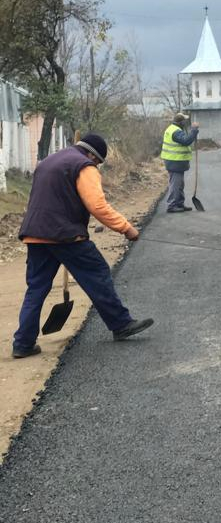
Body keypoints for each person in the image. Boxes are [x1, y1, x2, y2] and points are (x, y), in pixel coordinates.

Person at [12, 133, 153, 358]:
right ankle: (121, 324)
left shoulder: (50, 161)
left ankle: (22, 343)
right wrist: (126, 228)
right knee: (97, 275)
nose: (96, 165)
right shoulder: (84, 166)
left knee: (36, 289)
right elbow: (97, 206)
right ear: (91, 155)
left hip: (35, 234)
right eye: (97, 161)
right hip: (65, 235)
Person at [161, 112, 199, 213]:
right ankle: (172, 205)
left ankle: (179, 204)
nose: (186, 122)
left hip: (176, 161)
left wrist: (193, 132)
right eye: (184, 121)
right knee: (175, 184)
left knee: (179, 184)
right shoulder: (176, 132)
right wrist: (194, 130)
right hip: (174, 161)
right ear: (181, 122)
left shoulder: (173, 129)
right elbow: (186, 141)